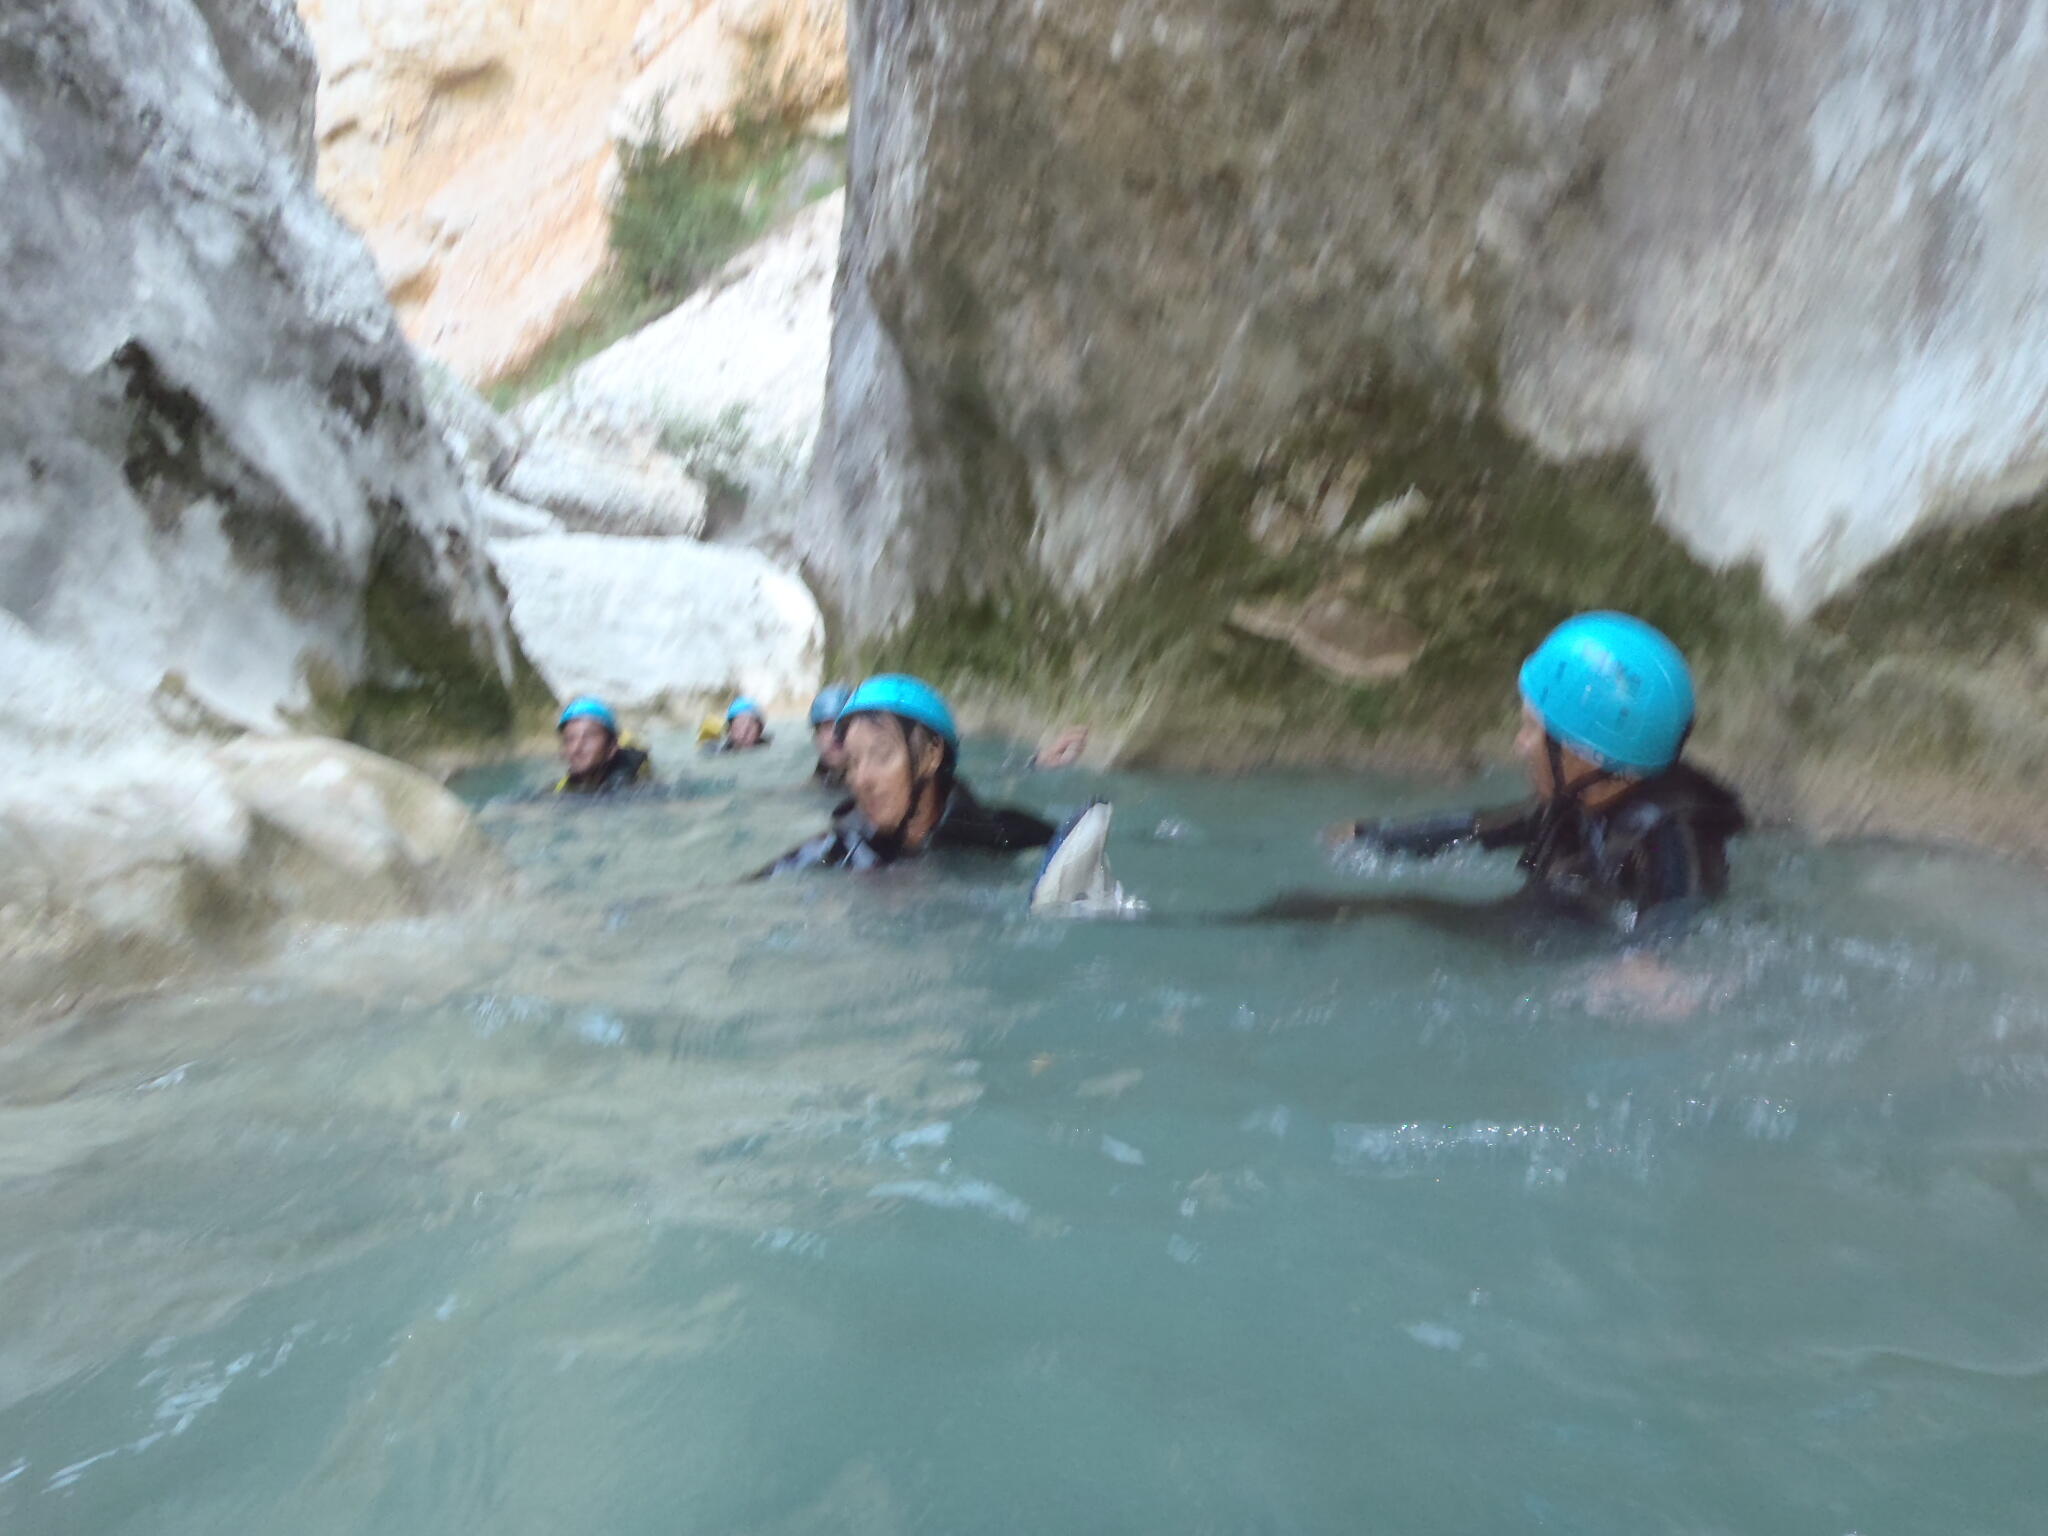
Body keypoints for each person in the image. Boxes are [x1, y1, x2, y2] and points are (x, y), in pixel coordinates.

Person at [1315, 611, 1746, 938]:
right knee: (1403, 909)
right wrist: (1374, 835)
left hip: (1585, 937)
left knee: (1411, 912)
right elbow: (1480, 828)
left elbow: (1675, 911)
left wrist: (1649, 962)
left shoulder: (1665, 828)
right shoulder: (1585, 798)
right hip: (1576, 914)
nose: (1520, 744)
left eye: (1531, 729)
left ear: (1585, 753)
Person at [760, 675, 1058, 874]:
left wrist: (1035, 763)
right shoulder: (833, 850)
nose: (860, 780)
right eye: (852, 763)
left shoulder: (1004, 834)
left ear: (931, 755)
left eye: (881, 756)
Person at [554, 696, 653, 795]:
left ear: (611, 748)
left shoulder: (631, 789)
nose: (576, 748)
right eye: (570, 739)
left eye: (589, 736)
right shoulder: (564, 787)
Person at [808, 682, 855, 787]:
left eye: (842, 725)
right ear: (817, 736)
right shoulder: (818, 781)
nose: (834, 735)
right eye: (827, 727)